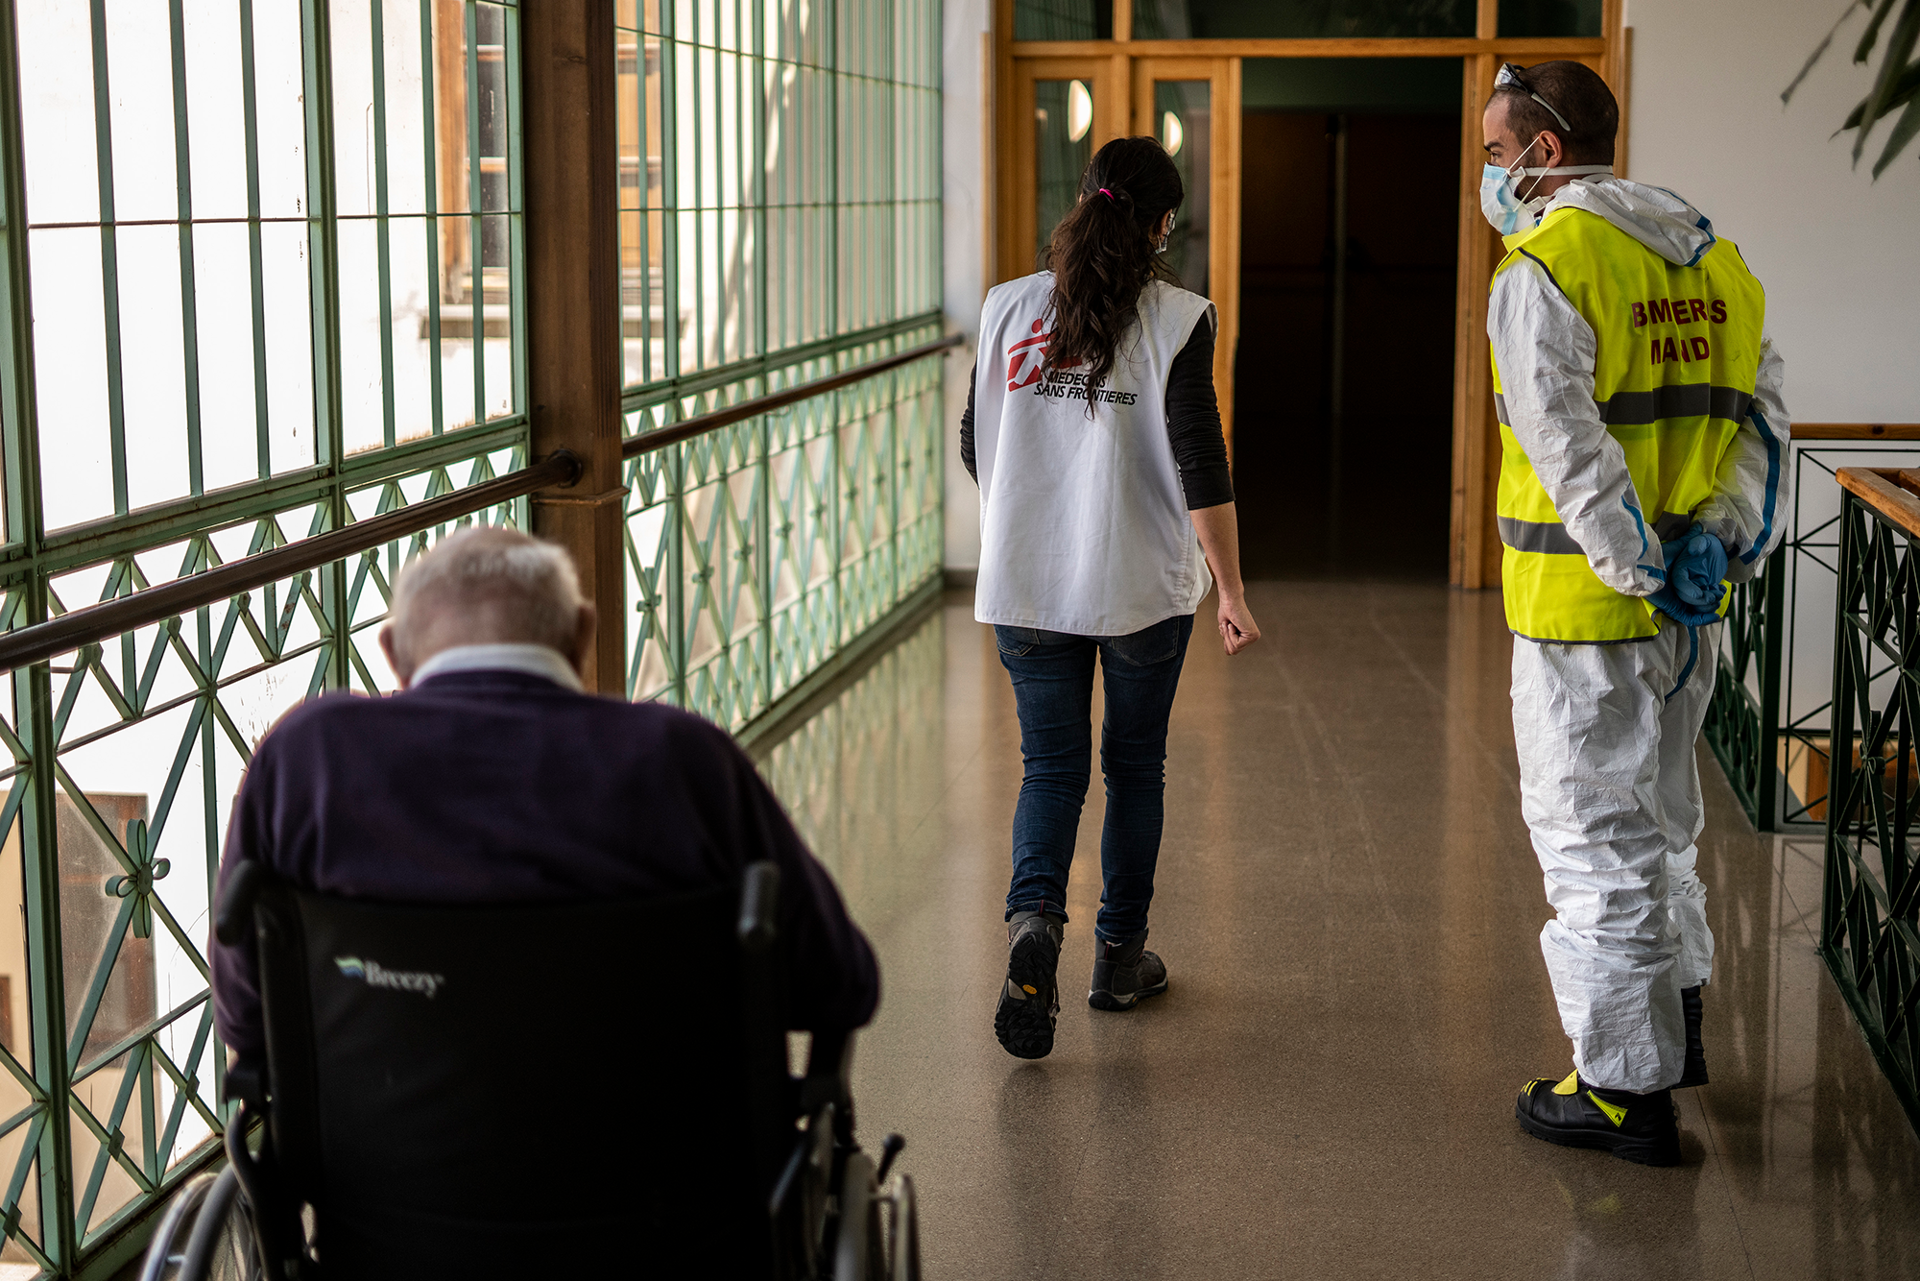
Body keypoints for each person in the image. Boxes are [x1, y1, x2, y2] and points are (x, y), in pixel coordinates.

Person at [210, 526, 878, 1070]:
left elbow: (247, 1014)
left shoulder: (309, 756)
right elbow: (836, 983)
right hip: (667, 1210)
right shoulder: (680, 759)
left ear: (391, 649)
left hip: (380, 1212)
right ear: (583, 633)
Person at [1480, 62, 1790, 1164]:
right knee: (1662, 826)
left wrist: (1637, 563)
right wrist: (1717, 535)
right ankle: (1679, 1015)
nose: (1489, 172)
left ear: (1543, 154)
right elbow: (1761, 423)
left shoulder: (1549, 268)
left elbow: (1567, 448)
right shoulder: (1722, 267)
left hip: (1586, 618)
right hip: (1686, 620)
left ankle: (1621, 1088)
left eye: (1494, 149)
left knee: (1591, 845)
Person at [961, 136, 1259, 1061]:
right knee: (1134, 768)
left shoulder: (1008, 306)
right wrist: (1233, 589)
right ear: (1165, 224)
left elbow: (978, 444)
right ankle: (1117, 959)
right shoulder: (1177, 318)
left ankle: (1033, 928)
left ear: (1083, 198)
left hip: (1026, 585)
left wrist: (1029, 516)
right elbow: (1200, 464)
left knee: (1050, 769)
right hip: (1138, 592)